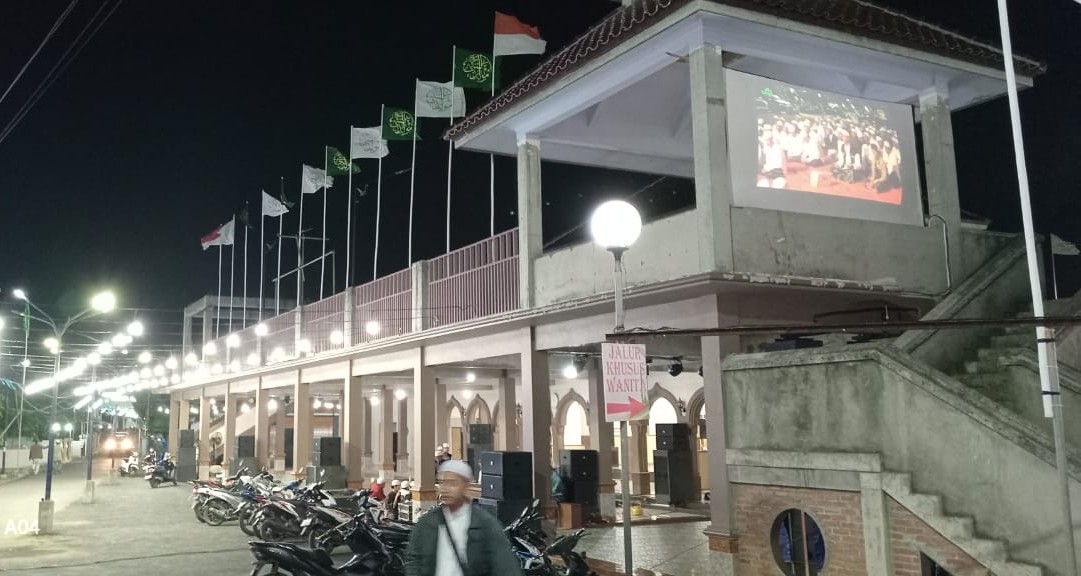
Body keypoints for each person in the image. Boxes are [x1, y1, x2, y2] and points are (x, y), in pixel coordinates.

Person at [405, 460, 522, 576]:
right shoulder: (427, 523)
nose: (445, 488)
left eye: (452, 483)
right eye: (442, 482)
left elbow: (505, 566)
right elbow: (414, 561)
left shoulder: (485, 524)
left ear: (467, 487)